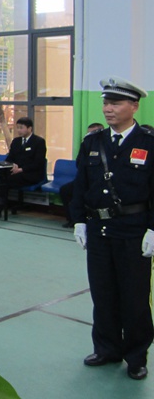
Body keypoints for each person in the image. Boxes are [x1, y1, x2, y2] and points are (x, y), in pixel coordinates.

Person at [71, 77, 154, 381]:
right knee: (103, 293)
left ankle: (136, 356)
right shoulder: (93, 142)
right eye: (106, 103)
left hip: (133, 231)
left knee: (134, 297)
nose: (108, 109)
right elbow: (81, 184)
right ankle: (106, 348)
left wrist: (153, 229)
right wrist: (79, 220)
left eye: (116, 103)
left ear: (134, 106)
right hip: (99, 230)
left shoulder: (148, 142)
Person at [59, 122, 104, 228]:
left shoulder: (105, 146)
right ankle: (72, 219)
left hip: (100, 181)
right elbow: (79, 163)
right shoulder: (86, 145)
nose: (91, 136)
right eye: (89, 133)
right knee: (66, 190)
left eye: (93, 133)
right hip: (86, 179)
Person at [5, 116, 47, 187]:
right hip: (16, 171)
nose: (19, 130)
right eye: (17, 128)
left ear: (29, 128)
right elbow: (10, 157)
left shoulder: (39, 142)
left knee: (10, 179)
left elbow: (38, 163)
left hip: (31, 173)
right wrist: (13, 165)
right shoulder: (16, 141)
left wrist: (21, 169)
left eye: (21, 128)